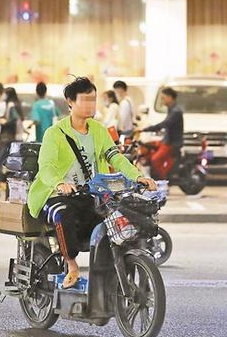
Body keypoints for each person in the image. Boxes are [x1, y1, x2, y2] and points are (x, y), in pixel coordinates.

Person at [27, 76, 156, 289]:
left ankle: (113, 269)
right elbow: (47, 167)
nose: (90, 105)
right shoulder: (55, 133)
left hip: (89, 193)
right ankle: (72, 266)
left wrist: (138, 176)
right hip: (55, 195)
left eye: (93, 99)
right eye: (84, 99)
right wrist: (60, 184)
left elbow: (115, 156)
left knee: (116, 216)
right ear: (70, 101)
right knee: (63, 214)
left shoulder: (98, 130)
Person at [140, 87, 184, 180]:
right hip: (166, 140)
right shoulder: (171, 109)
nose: (162, 100)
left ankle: (163, 180)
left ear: (170, 97)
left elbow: (164, 124)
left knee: (155, 159)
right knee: (147, 149)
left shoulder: (176, 111)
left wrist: (145, 129)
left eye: (163, 98)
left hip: (172, 143)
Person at [0, 86, 24, 198]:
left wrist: (4, 123)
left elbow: (13, 120)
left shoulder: (11, 105)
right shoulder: (17, 104)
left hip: (9, 139)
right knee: (16, 165)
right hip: (17, 138)